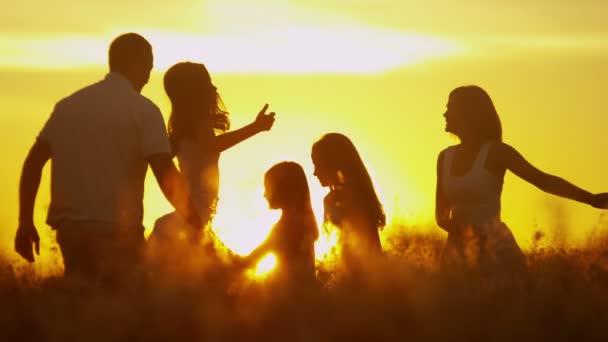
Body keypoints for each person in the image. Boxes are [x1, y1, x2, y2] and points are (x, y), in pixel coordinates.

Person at [14, 33, 202, 285]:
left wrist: (25, 222)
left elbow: (33, 162)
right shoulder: (144, 110)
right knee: (123, 309)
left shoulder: (69, 106)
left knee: (82, 307)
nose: (148, 76)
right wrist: (195, 222)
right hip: (117, 232)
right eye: (148, 68)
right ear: (136, 63)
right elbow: (163, 169)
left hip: (71, 231)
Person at [436, 85, 608, 275]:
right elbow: (441, 216)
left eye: (451, 108)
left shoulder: (497, 152)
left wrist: (590, 198)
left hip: (496, 250)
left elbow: (543, 181)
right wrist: (470, 237)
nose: (445, 114)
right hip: (455, 255)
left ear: (469, 113)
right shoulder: (445, 157)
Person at [147, 62, 275, 268]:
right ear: (194, 91)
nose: (214, 88)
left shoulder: (182, 128)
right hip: (197, 206)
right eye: (207, 82)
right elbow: (214, 145)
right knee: (166, 237)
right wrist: (256, 127)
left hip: (199, 207)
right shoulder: (197, 124)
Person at [311, 133, 385, 276]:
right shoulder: (333, 200)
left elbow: (369, 249)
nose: (315, 172)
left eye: (317, 164)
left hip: (363, 281)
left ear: (332, 163)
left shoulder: (354, 200)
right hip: (351, 278)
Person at [241, 162, 319, 289]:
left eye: (267, 187)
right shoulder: (300, 223)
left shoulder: (288, 228)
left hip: (293, 304)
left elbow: (249, 261)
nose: (265, 194)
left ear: (282, 188)